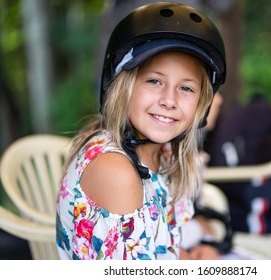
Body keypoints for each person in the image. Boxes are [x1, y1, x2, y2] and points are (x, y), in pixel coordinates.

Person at [55, 2, 226, 260]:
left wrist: (190, 258)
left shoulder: (162, 153)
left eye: (186, 88)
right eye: (154, 81)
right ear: (123, 86)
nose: (169, 100)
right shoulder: (117, 173)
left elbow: (157, 244)